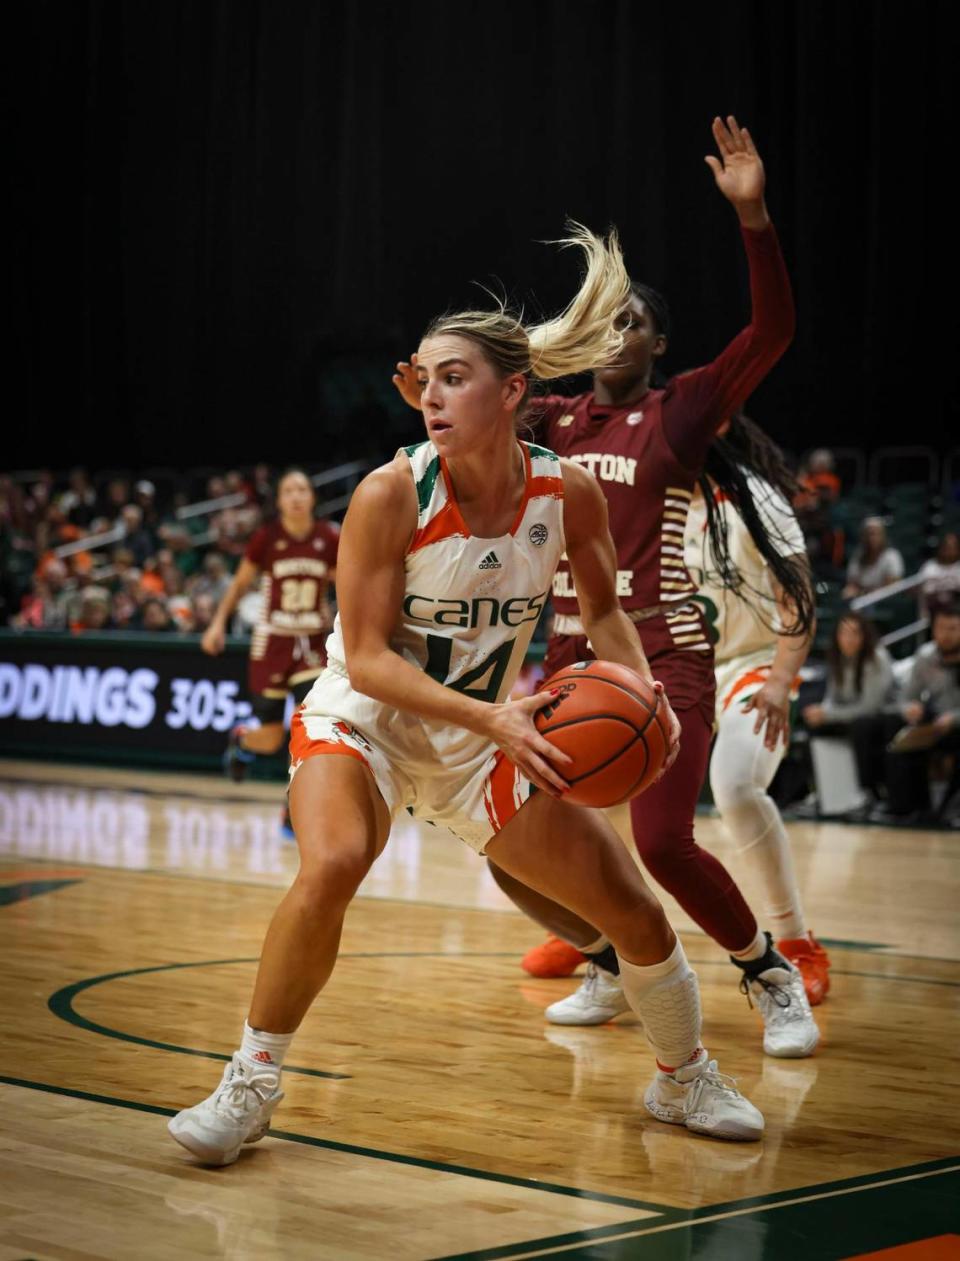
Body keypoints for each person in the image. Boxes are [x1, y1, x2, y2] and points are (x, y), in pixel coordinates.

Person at [169, 225, 766, 1168]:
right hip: (366, 716)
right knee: (333, 861)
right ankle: (249, 1080)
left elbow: (608, 613)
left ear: (514, 392)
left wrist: (642, 695)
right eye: (426, 378)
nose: (432, 394)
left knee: (634, 910)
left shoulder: (566, 493)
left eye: (456, 376)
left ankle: (683, 1073)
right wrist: (490, 715)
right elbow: (364, 660)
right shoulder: (387, 494)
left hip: (485, 734)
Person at [394, 118, 816, 1057]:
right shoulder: (547, 417)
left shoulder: (684, 410)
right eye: (606, 317)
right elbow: (466, 416)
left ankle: (770, 974)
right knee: (519, 840)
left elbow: (774, 330)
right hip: (565, 659)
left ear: (658, 342)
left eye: (633, 319)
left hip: (662, 650)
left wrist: (753, 219)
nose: (615, 331)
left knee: (664, 842)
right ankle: (608, 961)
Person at [201, 470, 340, 790]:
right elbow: (238, 585)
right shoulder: (267, 538)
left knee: (313, 725)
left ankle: (295, 804)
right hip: (272, 643)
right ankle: (242, 741)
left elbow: (347, 581)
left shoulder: (328, 538)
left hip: (312, 643)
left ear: (312, 497)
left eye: (302, 490)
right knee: (270, 738)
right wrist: (217, 624)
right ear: (279, 501)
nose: (295, 496)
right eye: (288, 491)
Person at [803, 612, 895, 809]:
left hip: (884, 717)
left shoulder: (877, 658)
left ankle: (868, 791)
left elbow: (871, 707)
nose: (849, 639)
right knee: (814, 726)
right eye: (843, 633)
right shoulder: (838, 658)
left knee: (861, 727)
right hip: (850, 717)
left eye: (855, 633)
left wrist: (828, 714)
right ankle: (821, 790)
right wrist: (821, 712)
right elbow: (831, 698)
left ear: (865, 636)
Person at [882, 604, 960, 819]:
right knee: (893, 727)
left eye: (953, 628)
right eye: (941, 628)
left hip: (955, 723)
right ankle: (907, 807)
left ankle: (950, 809)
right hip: (934, 724)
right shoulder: (925, 656)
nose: (946, 635)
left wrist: (953, 718)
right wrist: (910, 708)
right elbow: (906, 697)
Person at [842, 517, 904, 598]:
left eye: (876, 534)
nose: (872, 538)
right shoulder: (858, 555)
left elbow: (891, 589)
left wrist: (863, 592)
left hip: (884, 603)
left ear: (883, 536)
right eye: (868, 534)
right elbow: (852, 583)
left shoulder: (892, 556)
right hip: (862, 600)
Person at [918, 533, 960, 618]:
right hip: (931, 617)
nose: (948, 550)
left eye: (952, 547)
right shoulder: (929, 567)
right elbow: (923, 592)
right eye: (946, 546)